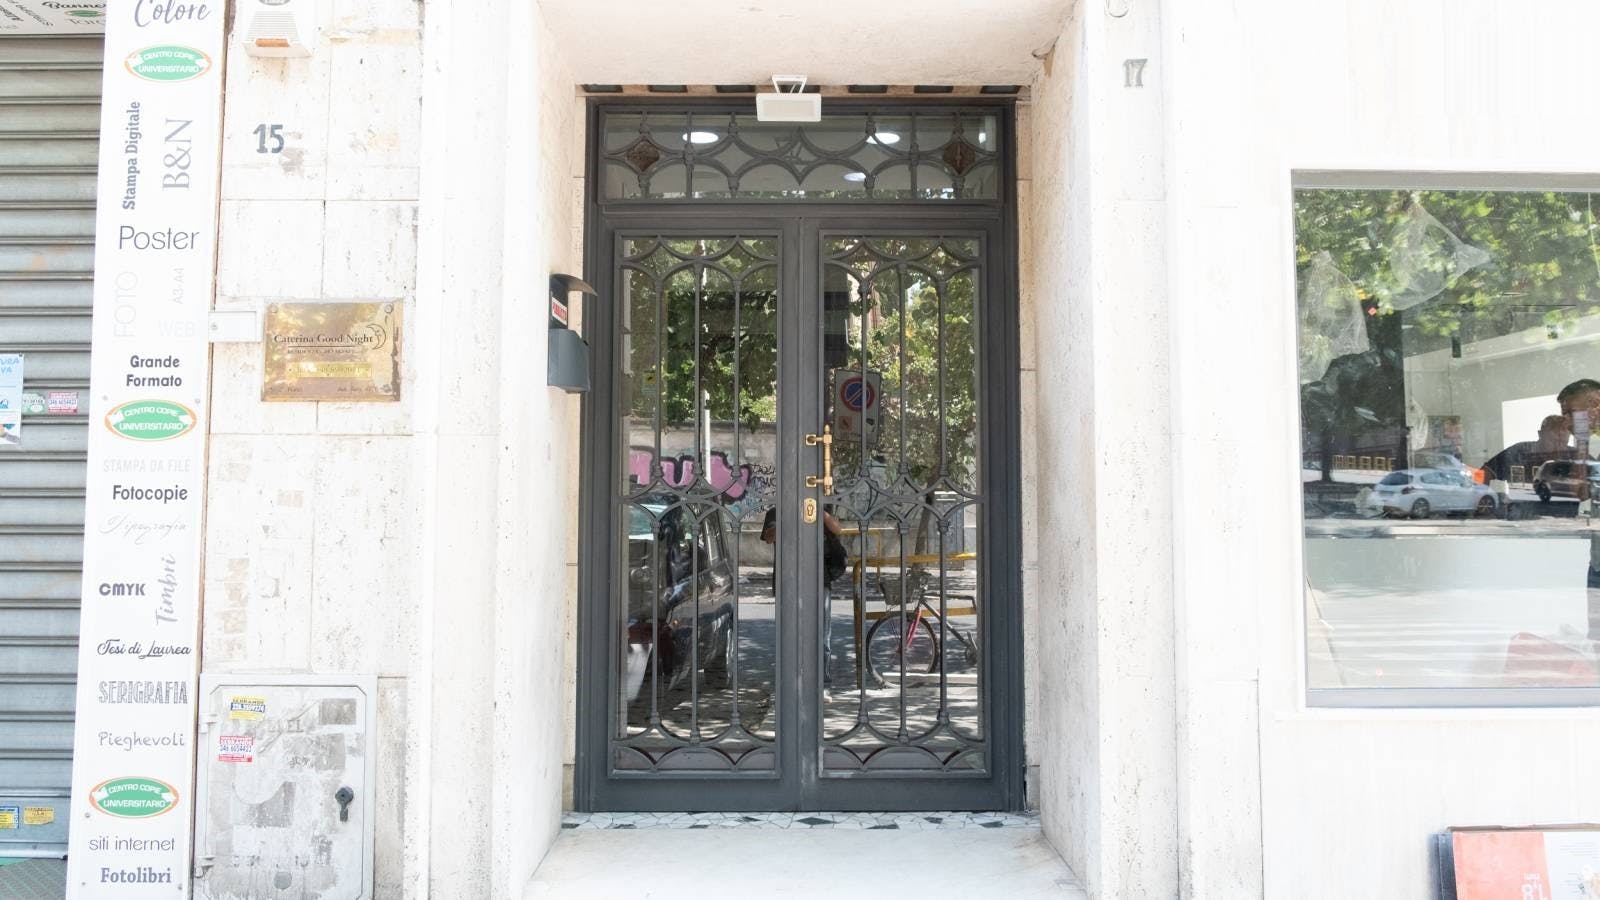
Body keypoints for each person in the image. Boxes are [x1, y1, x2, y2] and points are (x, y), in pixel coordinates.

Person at [761, 504, 848, 687]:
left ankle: (822, 682)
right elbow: (769, 538)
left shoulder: (817, 506)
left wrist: (822, 514)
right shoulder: (776, 511)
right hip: (788, 581)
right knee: (789, 633)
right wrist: (787, 519)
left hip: (819, 578)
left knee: (822, 634)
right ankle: (790, 682)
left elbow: (837, 529)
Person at [1481, 414, 1572, 483]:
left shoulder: (1575, 456)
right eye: (1554, 429)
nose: (1561, 433)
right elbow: (1483, 473)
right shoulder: (1518, 452)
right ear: (1540, 434)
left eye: (1563, 443)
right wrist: (1482, 497)